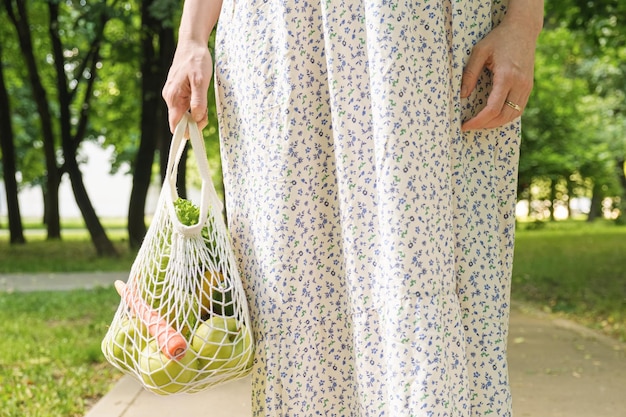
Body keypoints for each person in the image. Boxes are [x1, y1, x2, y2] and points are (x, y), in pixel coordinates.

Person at [163, 0, 543, 415]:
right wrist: (192, 37)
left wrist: (524, 23)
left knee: (420, 277)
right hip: (282, 40)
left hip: (415, 39)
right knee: (298, 293)